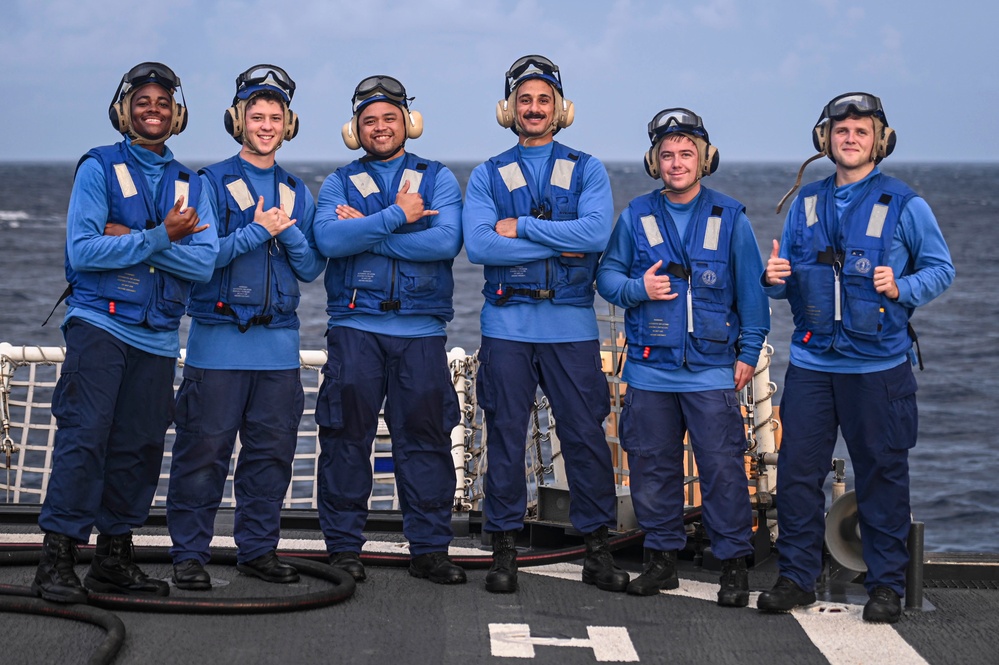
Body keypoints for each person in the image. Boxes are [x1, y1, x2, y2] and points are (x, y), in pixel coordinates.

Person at [757, 93, 955, 623]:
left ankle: (885, 585)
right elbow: (790, 279)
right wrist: (773, 280)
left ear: (879, 140)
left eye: (861, 131)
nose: (850, 139)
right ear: (825, 140)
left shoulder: (906, 205)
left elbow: (941, 269)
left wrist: (904, 284)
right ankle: (796, 577)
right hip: (813, 365)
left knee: (882, 475)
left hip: (878, 368)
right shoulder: (806, 203)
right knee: (798, 475)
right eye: (841, 130)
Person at [33, 62, 217, 603]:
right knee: (84, 437)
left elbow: (204, 265)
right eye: (143, 101)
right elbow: (83, 251)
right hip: (99, 326)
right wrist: (163, 235)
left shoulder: (191, 182)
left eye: (163, 101)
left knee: (138, 447)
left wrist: (135, 235)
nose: (153, 108)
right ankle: (57, 558)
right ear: (124, 111)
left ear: (177, 114)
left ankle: (113, 557)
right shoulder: (97, 168)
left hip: (157, 335)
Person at [462, 54, 628, 594]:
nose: (534, 109)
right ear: (507, 109)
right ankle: (505, 547)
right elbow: (481, 244)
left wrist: (523, 227)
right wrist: (559, 233)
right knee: (505, 437)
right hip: (507, 326)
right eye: (524, 100)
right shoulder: (488, 173)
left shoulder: (588, 169)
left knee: (584, 437)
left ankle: (597, 549)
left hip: (571, 326)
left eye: (543, 100)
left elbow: (597, 233)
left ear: (561, 109)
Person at [596, 109, 770, 605]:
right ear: (654, 162)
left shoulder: (731, 218)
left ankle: (734, 566)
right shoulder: (635, 217)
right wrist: (638, 287)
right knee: (652, 470)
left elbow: (752, 299)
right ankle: (661, 561)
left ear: (705, 159)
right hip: (650, 371)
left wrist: (748, 353)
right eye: (667, 155)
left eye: (686, 154)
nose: (676, 163)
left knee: (723, 473)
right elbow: (607, 278)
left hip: (712, 371)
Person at [165, 65, 325, 590]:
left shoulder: (297, 191)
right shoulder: (205, 183)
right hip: (216, 351)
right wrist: (259, 229)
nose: (265, 124)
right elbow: (203, 261)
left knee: (270, 459)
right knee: (201, 457)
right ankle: (190, 554)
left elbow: (309, 268)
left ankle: (258, 549)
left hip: (278, 355)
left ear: (288, 124)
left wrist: (287, 229)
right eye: (256, 116)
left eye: (275, 117)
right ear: (238, 121)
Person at [313, 76, 465, 585]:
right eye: (370, 120)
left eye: (389, 118)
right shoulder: (336, 182)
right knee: (344, 439)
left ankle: (428, 548)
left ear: (408, 124)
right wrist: (401, 216)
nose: (380, 127)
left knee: (424, 439)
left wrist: (370, 230)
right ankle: (342, 549)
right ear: (355, 129)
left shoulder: (439, 178)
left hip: (420, 332)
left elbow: (444, 243)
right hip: (355, 327)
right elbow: (330, 240)